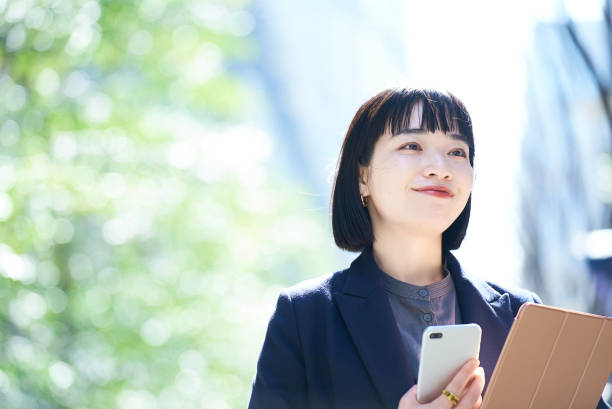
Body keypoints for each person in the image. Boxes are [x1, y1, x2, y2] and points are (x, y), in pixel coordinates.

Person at [247, 87, 611, 409]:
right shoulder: (305, 316)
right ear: (362, 177)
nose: (440, 168)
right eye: (412, 146)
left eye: (457, 151)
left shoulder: (521, 314)